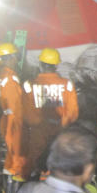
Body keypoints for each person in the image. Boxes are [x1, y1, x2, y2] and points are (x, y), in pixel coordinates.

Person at [23, 47, 79, 177]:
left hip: (38, 132)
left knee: (35, 164)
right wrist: (62, 124)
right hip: (60, 133)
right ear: (56, 65)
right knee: (58, 164)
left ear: (41, 65)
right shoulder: (67, 84)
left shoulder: (30, 85)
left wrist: (38, 123)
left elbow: (25, 112)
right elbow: (73, 112)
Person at [0, 42, 27, 193]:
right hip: (14, 123)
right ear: (12, 57)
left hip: (8, 121)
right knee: (18, 163)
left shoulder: (3, 75)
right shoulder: (10, 79)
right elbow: (16, 107)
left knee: (10, 162)